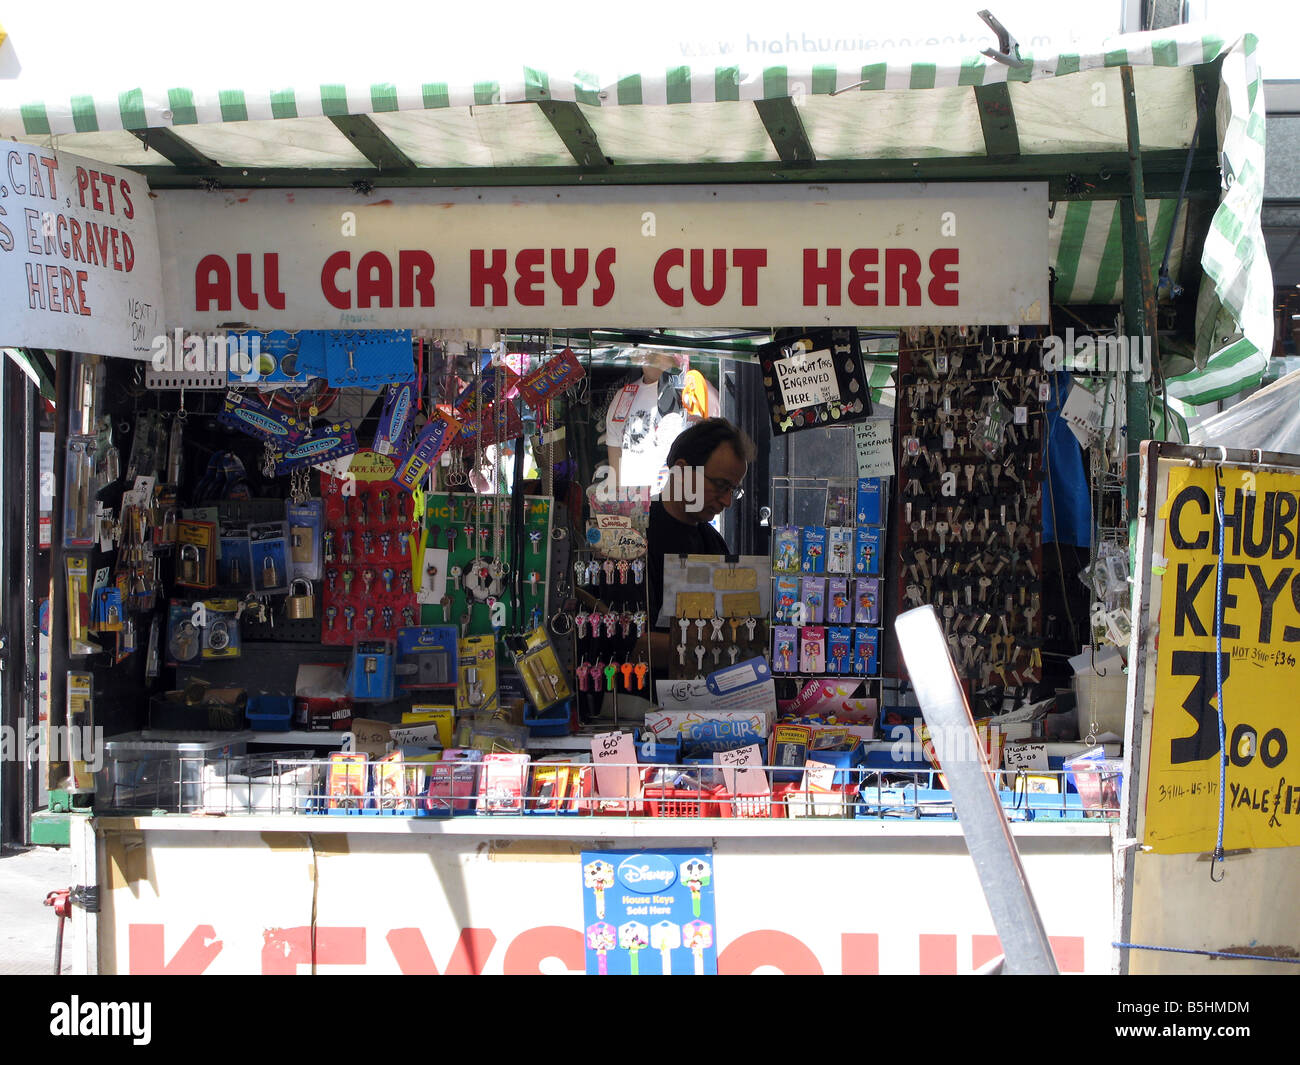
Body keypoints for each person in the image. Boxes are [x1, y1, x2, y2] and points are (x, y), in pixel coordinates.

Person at [645, 417, 756, 668]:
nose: (727, 501)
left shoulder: (713, 541)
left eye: (733, 490)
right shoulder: (637, 539)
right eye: (720, 485)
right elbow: (631, 646)